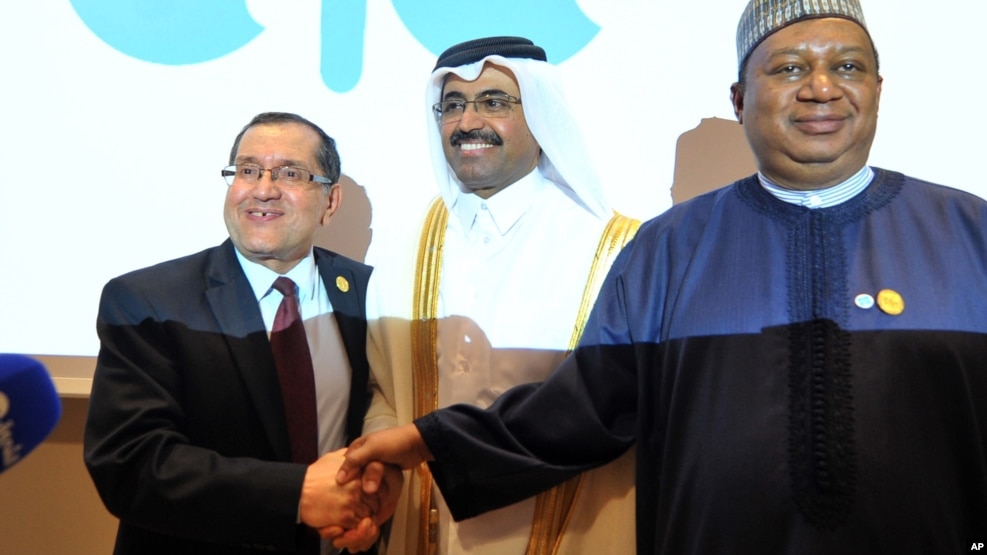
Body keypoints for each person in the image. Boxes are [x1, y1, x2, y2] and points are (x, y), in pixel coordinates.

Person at [339, 2, 987, 553]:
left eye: (846, 66)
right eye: (788, 68)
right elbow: (581, 410)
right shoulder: (672, 247)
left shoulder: (970, 235)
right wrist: (426, 439)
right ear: (738, 98)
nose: (820, 87)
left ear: (877, 87)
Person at [359, 37, 639, 554]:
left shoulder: (616, 250)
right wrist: (377, 462)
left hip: (570, 533)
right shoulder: (405, 244)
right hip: (428, 532)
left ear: (540, 113)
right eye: (453, 105)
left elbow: (607, 410)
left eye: (494, 102)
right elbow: (385, 388)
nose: (468, 123)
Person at [84, 112, 398, 555]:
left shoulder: (369, 293)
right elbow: (131, 466)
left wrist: (365, 504)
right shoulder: (147, 300)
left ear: (330, 202)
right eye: (248, 170)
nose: (263, 188)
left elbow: (377, 411)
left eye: (290, 173)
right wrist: (298, 495)